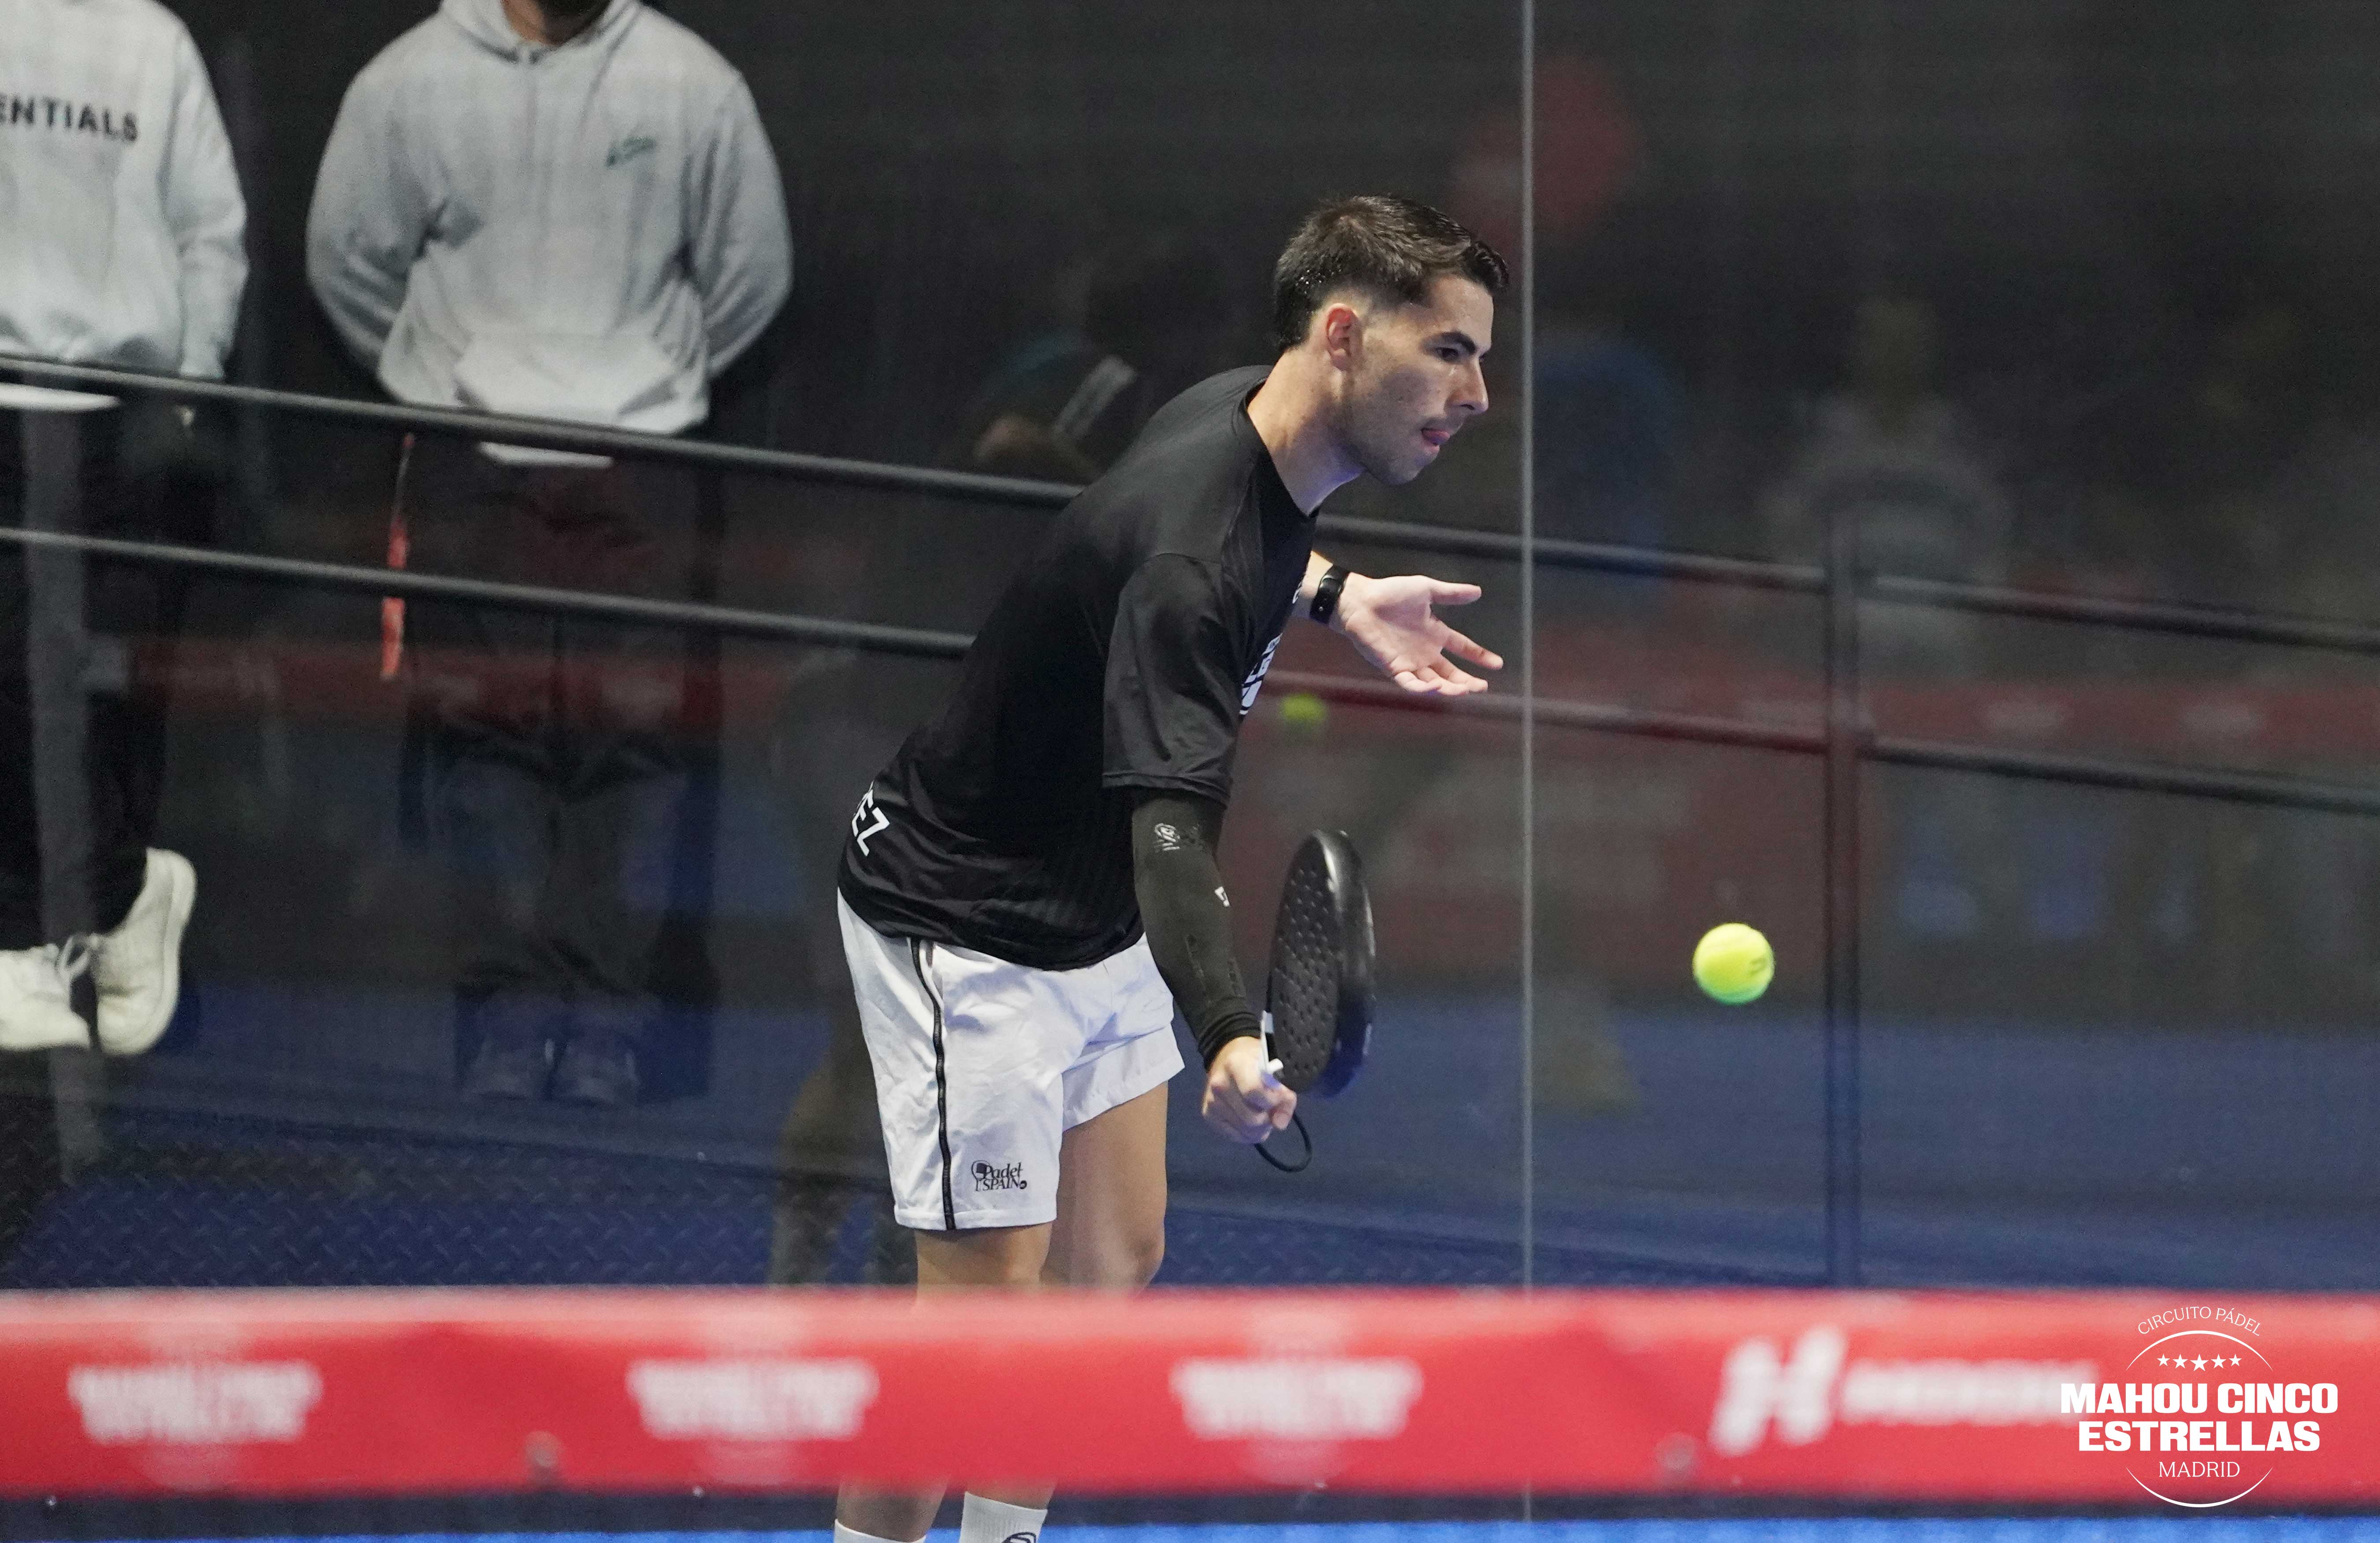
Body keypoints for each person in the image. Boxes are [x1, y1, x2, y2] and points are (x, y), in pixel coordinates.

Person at [828, 194, 1506, 1543]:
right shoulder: (1194, 564)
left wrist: (1338, 595)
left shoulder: (1244, 415)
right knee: (977, 1309)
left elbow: (1242, 545)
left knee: (1111, 1255)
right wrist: (1229, 1032)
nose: (1478, 394)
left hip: (1097, 905)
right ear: (1343, 336)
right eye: (1449, 351)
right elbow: (1171, 832)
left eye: (1482, 357)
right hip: (970, 921)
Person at [306, 0, 791, 1107]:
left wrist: (650, 387)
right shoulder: (408, 82)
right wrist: (453, 380)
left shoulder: (693, 82)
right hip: (474, 467)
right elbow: (348, 263)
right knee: (486, 750)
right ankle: (509, 1028)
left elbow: (751, 273)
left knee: (638, 751)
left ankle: (611, 1029)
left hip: (642, 466)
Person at [0, 0, 245, 1263]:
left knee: (87, 686)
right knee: (18, 680)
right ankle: (97, 906)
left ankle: (67, 923)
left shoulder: (148, 38)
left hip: (116, 412)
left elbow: (211, 231)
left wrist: (186, 397)